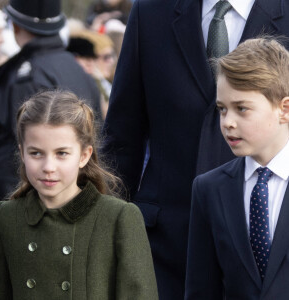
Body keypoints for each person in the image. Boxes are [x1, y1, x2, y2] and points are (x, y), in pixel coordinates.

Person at [102, 0, 289, 298]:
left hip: (260, 247)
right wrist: (106, 237)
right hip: (161, 250)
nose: (229, 122)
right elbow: (122, 137)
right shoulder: (151, 10)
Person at [0, 90, 158, 300]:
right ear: (22, 153)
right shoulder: (6, 216)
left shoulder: (118, 217)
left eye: (62, 153)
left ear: (84, 156)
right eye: (36, 153)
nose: (48, 167)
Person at [0, 0, 102, 250]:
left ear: (16, 26)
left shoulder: (27, 76)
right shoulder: (74, 66)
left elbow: (20, 155)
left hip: (32, 208)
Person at [185, 37, 289, 299]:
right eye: (222, 109)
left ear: (284, 109)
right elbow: (201, 289)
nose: (228, 122)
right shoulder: (209, 188)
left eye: (242, 109)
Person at [67, 29, 117, 119]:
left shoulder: (103, 83)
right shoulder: (88, 85)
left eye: (112, 55)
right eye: (106, 57)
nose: (111, 61)